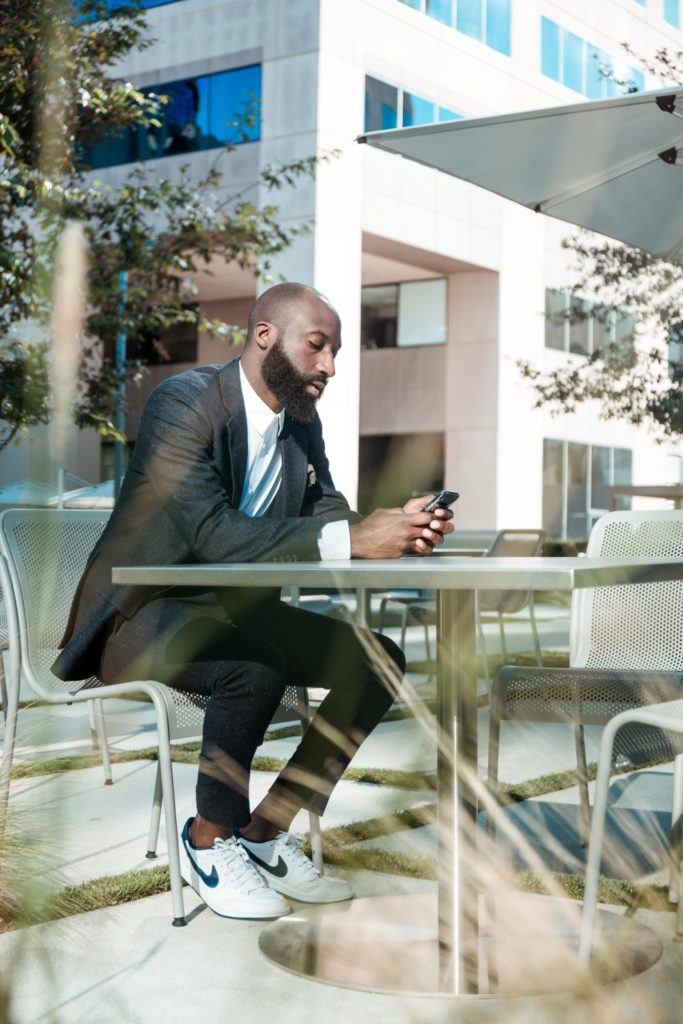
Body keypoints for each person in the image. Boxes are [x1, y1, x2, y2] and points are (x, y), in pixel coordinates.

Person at [53, 283, 454, 921]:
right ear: (265, 335)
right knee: (254, 667)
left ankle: (263, 833)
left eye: (336, 351)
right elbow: (210, 533)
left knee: (378, 659)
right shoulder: (183, 403)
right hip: (142, 615)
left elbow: (324, 512)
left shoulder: (301, 420)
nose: (330, 366)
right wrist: (352, 538)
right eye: (317, 346)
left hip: (233, 612)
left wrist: (391, 528)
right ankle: (208, 840)